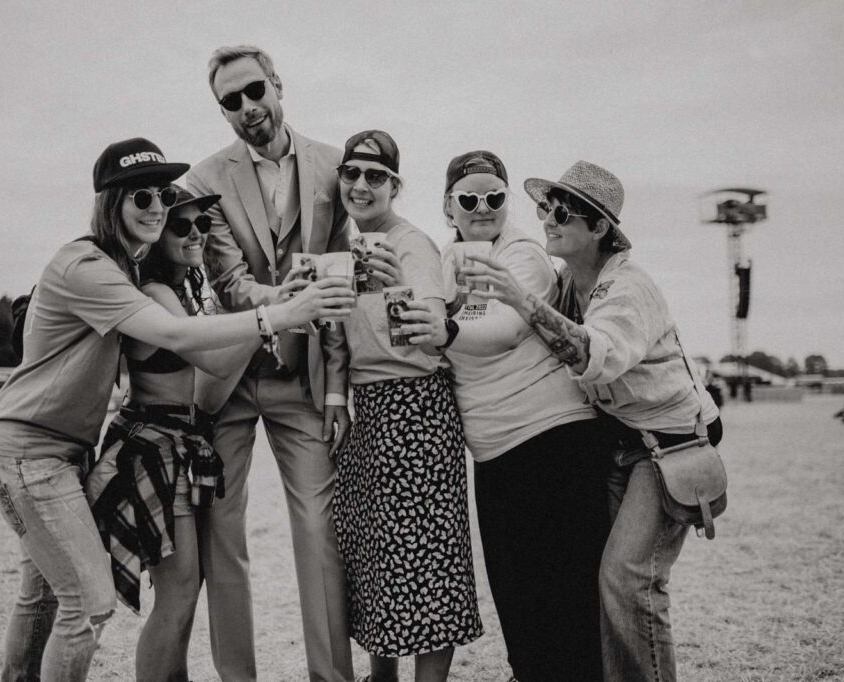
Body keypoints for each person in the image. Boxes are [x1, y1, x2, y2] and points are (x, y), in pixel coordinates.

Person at [0, 137, 354, 682]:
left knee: (42, 597)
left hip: (72, 450)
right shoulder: (96, 267)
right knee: (90, 604)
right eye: (146, 199)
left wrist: (274, 304)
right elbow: (180, 338)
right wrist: (280, 314)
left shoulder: (127, 273)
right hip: (37, 451)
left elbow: (209, 366)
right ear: (112, 202)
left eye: (169, 200)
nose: (165, 213)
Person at [462, 160, 722, 682]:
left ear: (600, 228)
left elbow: (589, 355)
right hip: (616, 441)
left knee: (629, 580)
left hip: (669, 444)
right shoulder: (567, 281)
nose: (548, 220)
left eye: (563, 212)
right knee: (592, 574)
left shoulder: (627, 289)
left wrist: (516, 295)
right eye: (544, 208)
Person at [404, 151, 609, 681]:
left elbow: (507, 330)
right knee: (518, 601)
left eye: (494, 196)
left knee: (568, 598)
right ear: (448, 207)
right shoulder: (446, 260)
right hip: (495, 450)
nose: (482, 207)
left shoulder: (524, 254)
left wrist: (445, 331)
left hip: (552, 437)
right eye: (468, 198)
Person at [186, 45, 355, 681]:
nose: (247, 108)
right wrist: (284, 301)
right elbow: (228, 282)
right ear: (220, 109)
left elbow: (341, 288)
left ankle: (331, 677)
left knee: (318, 534)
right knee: (221, 538)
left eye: (255, 90)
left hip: (304, 379)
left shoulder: (337, 166)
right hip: (227, 377)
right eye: (230, 100)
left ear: (277, 83)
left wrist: (336, 391)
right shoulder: (203, 179)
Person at [318, 131, 482, 682]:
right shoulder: (341, 247)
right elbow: (337, 337)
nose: (361, 186)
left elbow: (431, 338)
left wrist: (394, 291)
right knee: (373, 554)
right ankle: (381, 676)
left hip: (418, 408)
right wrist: (337, 397)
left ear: (394, 185)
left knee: (428, 560)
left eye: (375, 176)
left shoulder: (411, 244)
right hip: (370, 409)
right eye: (352, 174)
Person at [84, 187, 259, 682]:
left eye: (200, 223)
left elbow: (206, 391)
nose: (196, 233)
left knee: (183, 589)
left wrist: (251, 330)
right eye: (180, 226)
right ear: (159, 237)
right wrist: (265, 324)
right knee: (178, 591)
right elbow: (214, 359)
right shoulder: (157, 293)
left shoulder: (182, 292)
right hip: (153, 447)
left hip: (175, 442)